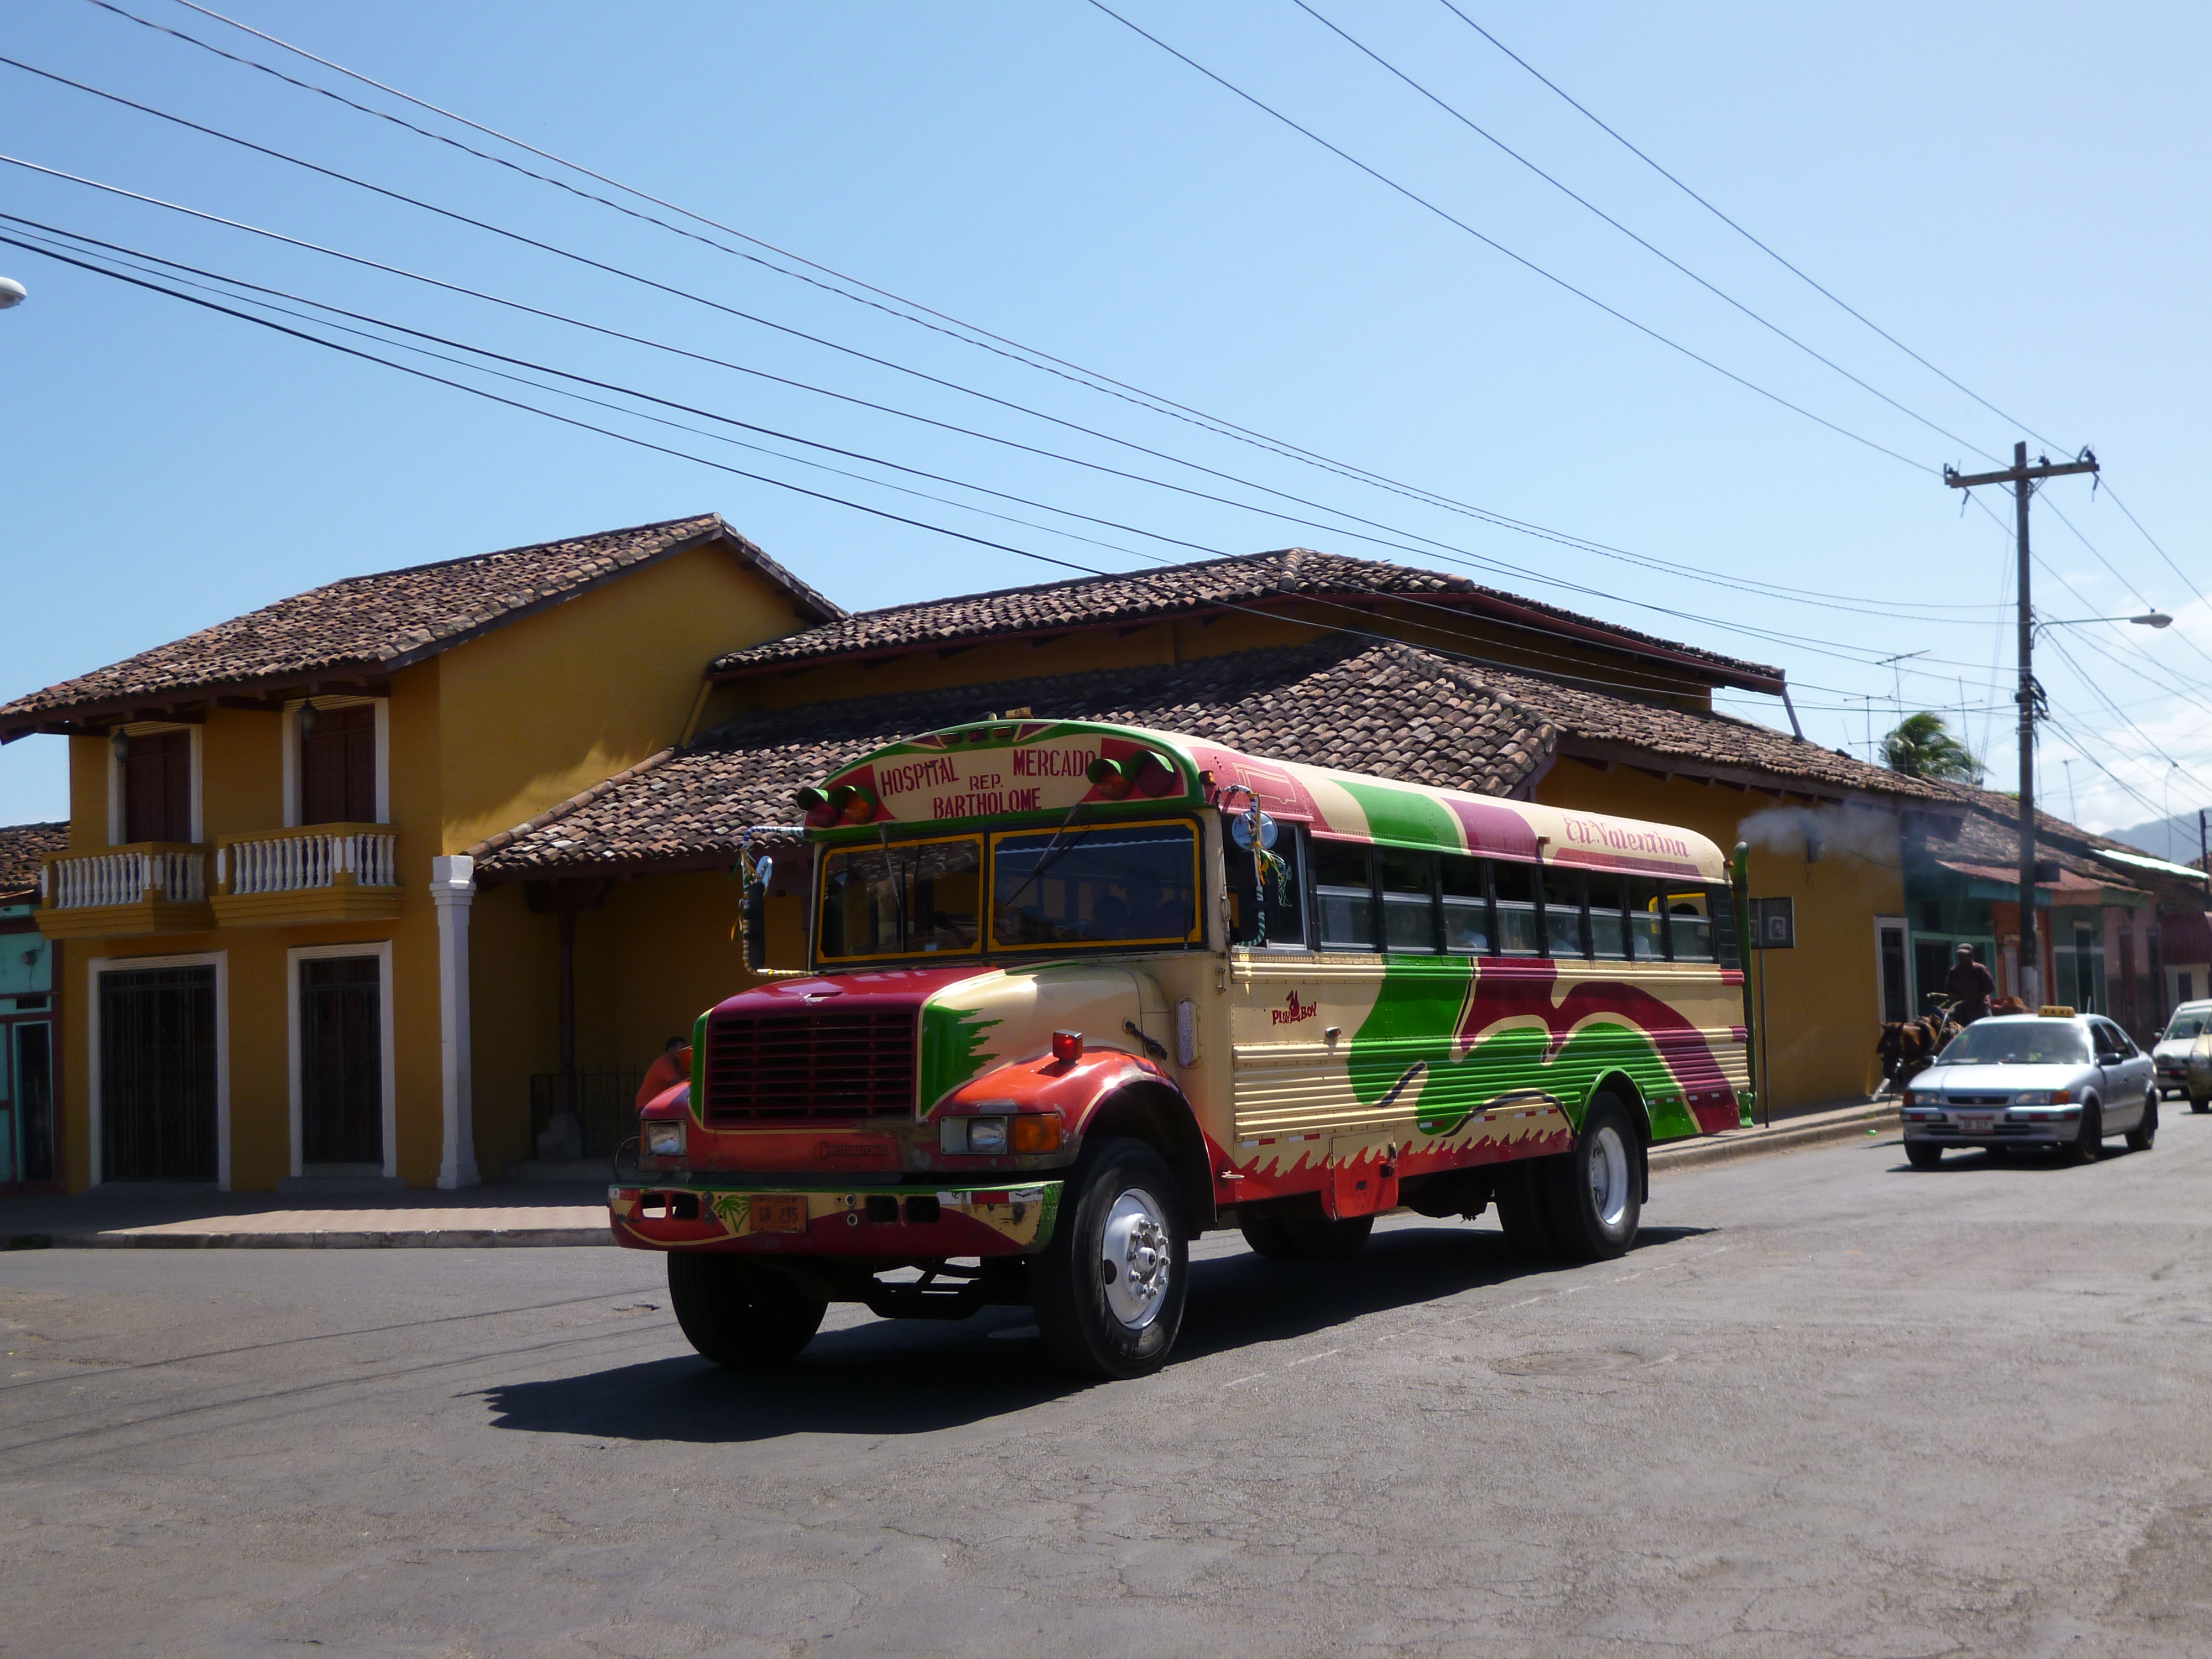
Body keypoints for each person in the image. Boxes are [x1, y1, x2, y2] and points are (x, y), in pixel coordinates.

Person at [636, 1034, 692, 1112]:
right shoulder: (664, 1062)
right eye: (682, 1048)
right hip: (648, 1105)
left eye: (686, 1049)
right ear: (671, 1050)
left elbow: (687, 1080)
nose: (684, 1051)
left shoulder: (679, 1063)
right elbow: (678, 1084)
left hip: (660, 1104)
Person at [1944, 942, 1996, 1025]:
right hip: (1961, 1010)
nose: (1962, 958)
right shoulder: (1954, 972)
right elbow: (1949, 990)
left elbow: (1991, 988)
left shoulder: (1980, 969)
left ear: (1971, 956)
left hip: (1980, 1008)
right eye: (1960, 955)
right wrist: (1953, 995)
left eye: (1964, 955)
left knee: (1985, 1027)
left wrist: (1973, 997)